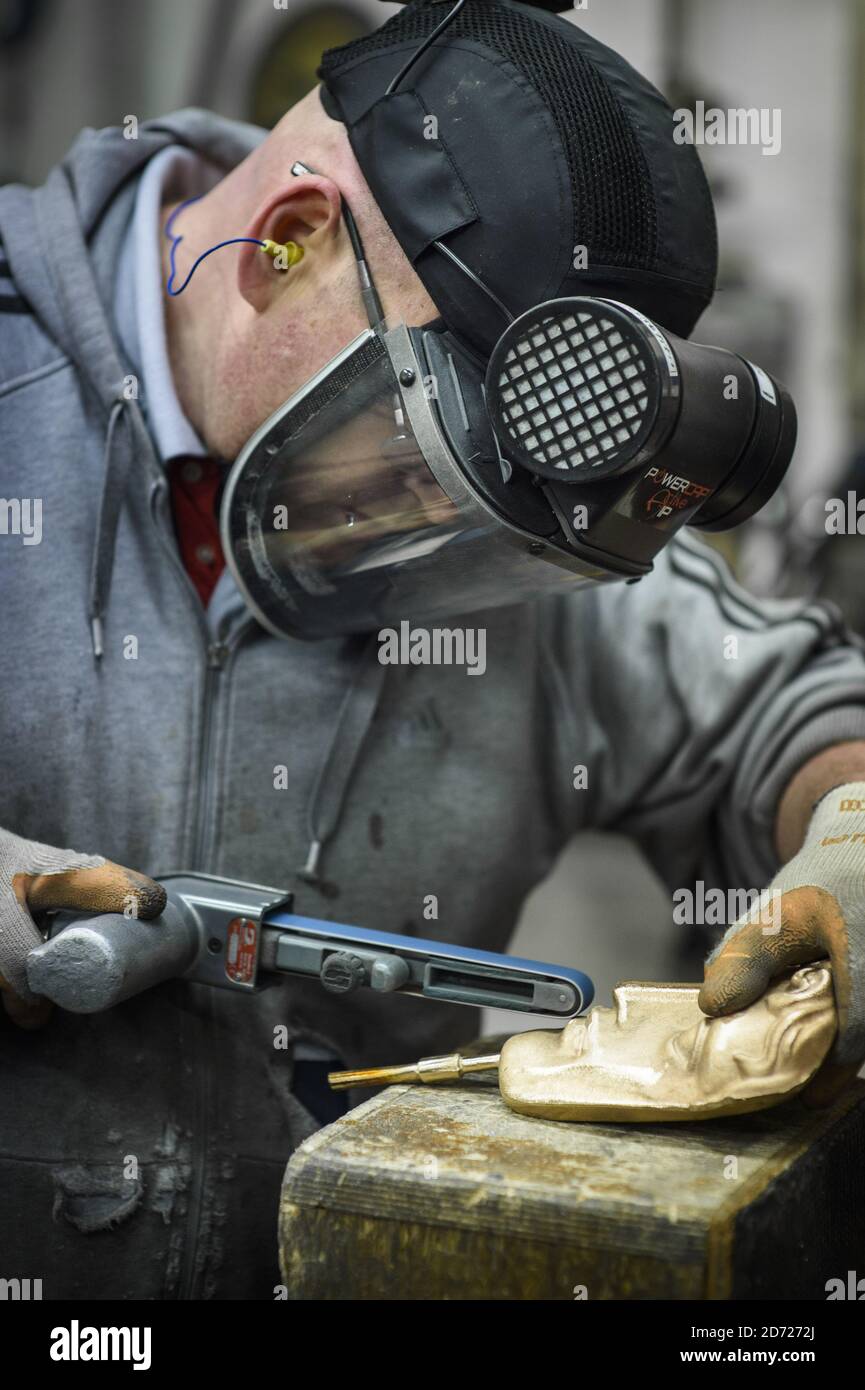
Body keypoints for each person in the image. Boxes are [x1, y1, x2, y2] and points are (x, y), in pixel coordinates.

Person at [1, 0, 864, 1299]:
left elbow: (786, 711)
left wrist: (851, 847)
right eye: (418, 457)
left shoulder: (539, 545)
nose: (432, 540)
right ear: (286, 245)